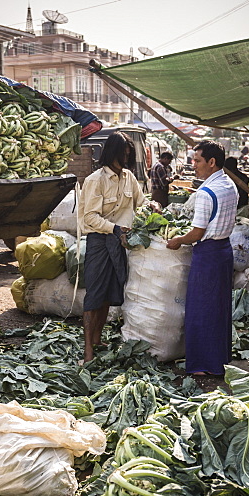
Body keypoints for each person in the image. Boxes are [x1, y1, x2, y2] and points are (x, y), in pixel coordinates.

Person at [78, 131, 156, 363]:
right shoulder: (95, 180)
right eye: (124, 153)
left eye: (129, 153)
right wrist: (114, 228)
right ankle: (88, 351)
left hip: (119, 243)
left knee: (107, 296)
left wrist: (153, 206)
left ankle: (98, 339)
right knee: (94, 295)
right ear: (112, 153)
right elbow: (90, 217)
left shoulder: (129, 177)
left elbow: (140, 203)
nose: (126, 157)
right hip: (100, 242)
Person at [166, 141, 238, 377]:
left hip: (207, 254)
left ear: (212, 162)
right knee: (219, 307)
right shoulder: (229, 185)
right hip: (224, 251)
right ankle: (220, 359)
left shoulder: (206, 193)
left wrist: (178, 240)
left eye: (197, 160)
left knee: (201, 309)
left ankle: (202, 366)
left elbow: (197, 233)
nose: (193, 165)